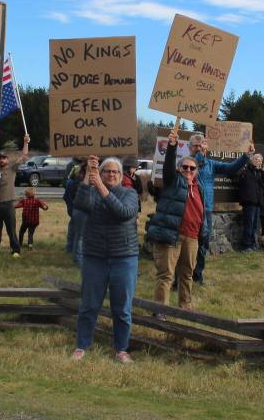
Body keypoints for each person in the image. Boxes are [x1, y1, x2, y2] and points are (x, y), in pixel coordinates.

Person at [72, 156, 141, 364]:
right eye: (106, 171)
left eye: (115, 172)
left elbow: (123, 212)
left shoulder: (129, 193)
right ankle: (81, 345)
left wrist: (100, 185)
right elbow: (80, 204)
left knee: (121, 308)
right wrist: (87, 176)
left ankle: (121, 349)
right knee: (89, 305)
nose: (111, 174)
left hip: (124, 257)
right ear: (99, 173)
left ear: (121, 176)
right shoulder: (92, 191)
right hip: (95, 257)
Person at [147, 127, 203, 310]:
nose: (188, 170)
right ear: (179, 169)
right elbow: (168, 166)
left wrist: (204, 232)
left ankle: (185, 308)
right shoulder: (173, 181)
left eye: (192, 168)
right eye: (184, 167)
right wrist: (172, 146)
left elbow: (202, 212)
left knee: (187, 275)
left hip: (192, 237)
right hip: (172, 235)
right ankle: (160, 311)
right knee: (166, 275)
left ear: (196, 171)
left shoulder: (198, 187)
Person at [189, 132, 252, 284]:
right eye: (196, 146)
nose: (199, 148)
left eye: (201, 145)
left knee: (203, 244)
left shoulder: (211, 164)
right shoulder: (187, 163)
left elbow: (230, 168)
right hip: (190, 209)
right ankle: (183, 276)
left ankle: (198, 276)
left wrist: (245, 156)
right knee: (187, 244)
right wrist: (200, 154)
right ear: (189, 147)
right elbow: (197, 163)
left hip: (207, 209)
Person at [236, 153, 264, 252]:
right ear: (251, 160)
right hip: (249, 202)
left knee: (254, 226)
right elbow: (240, 182)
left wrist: (261, 173)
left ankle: (252, 245)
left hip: (257, 202)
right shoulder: (246, 170)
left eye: (260, 160)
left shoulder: (261, 173)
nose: (258, 161)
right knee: (248, 225)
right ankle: (245, 246)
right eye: (256, 159)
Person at [63, 162, 83, 261]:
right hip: (77, 209)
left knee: (72, 229)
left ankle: (69, 248)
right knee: (79, 234)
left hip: (72, 208)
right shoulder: (77, 184)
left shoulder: (69, 182)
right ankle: (77, 257)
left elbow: (65, 197)